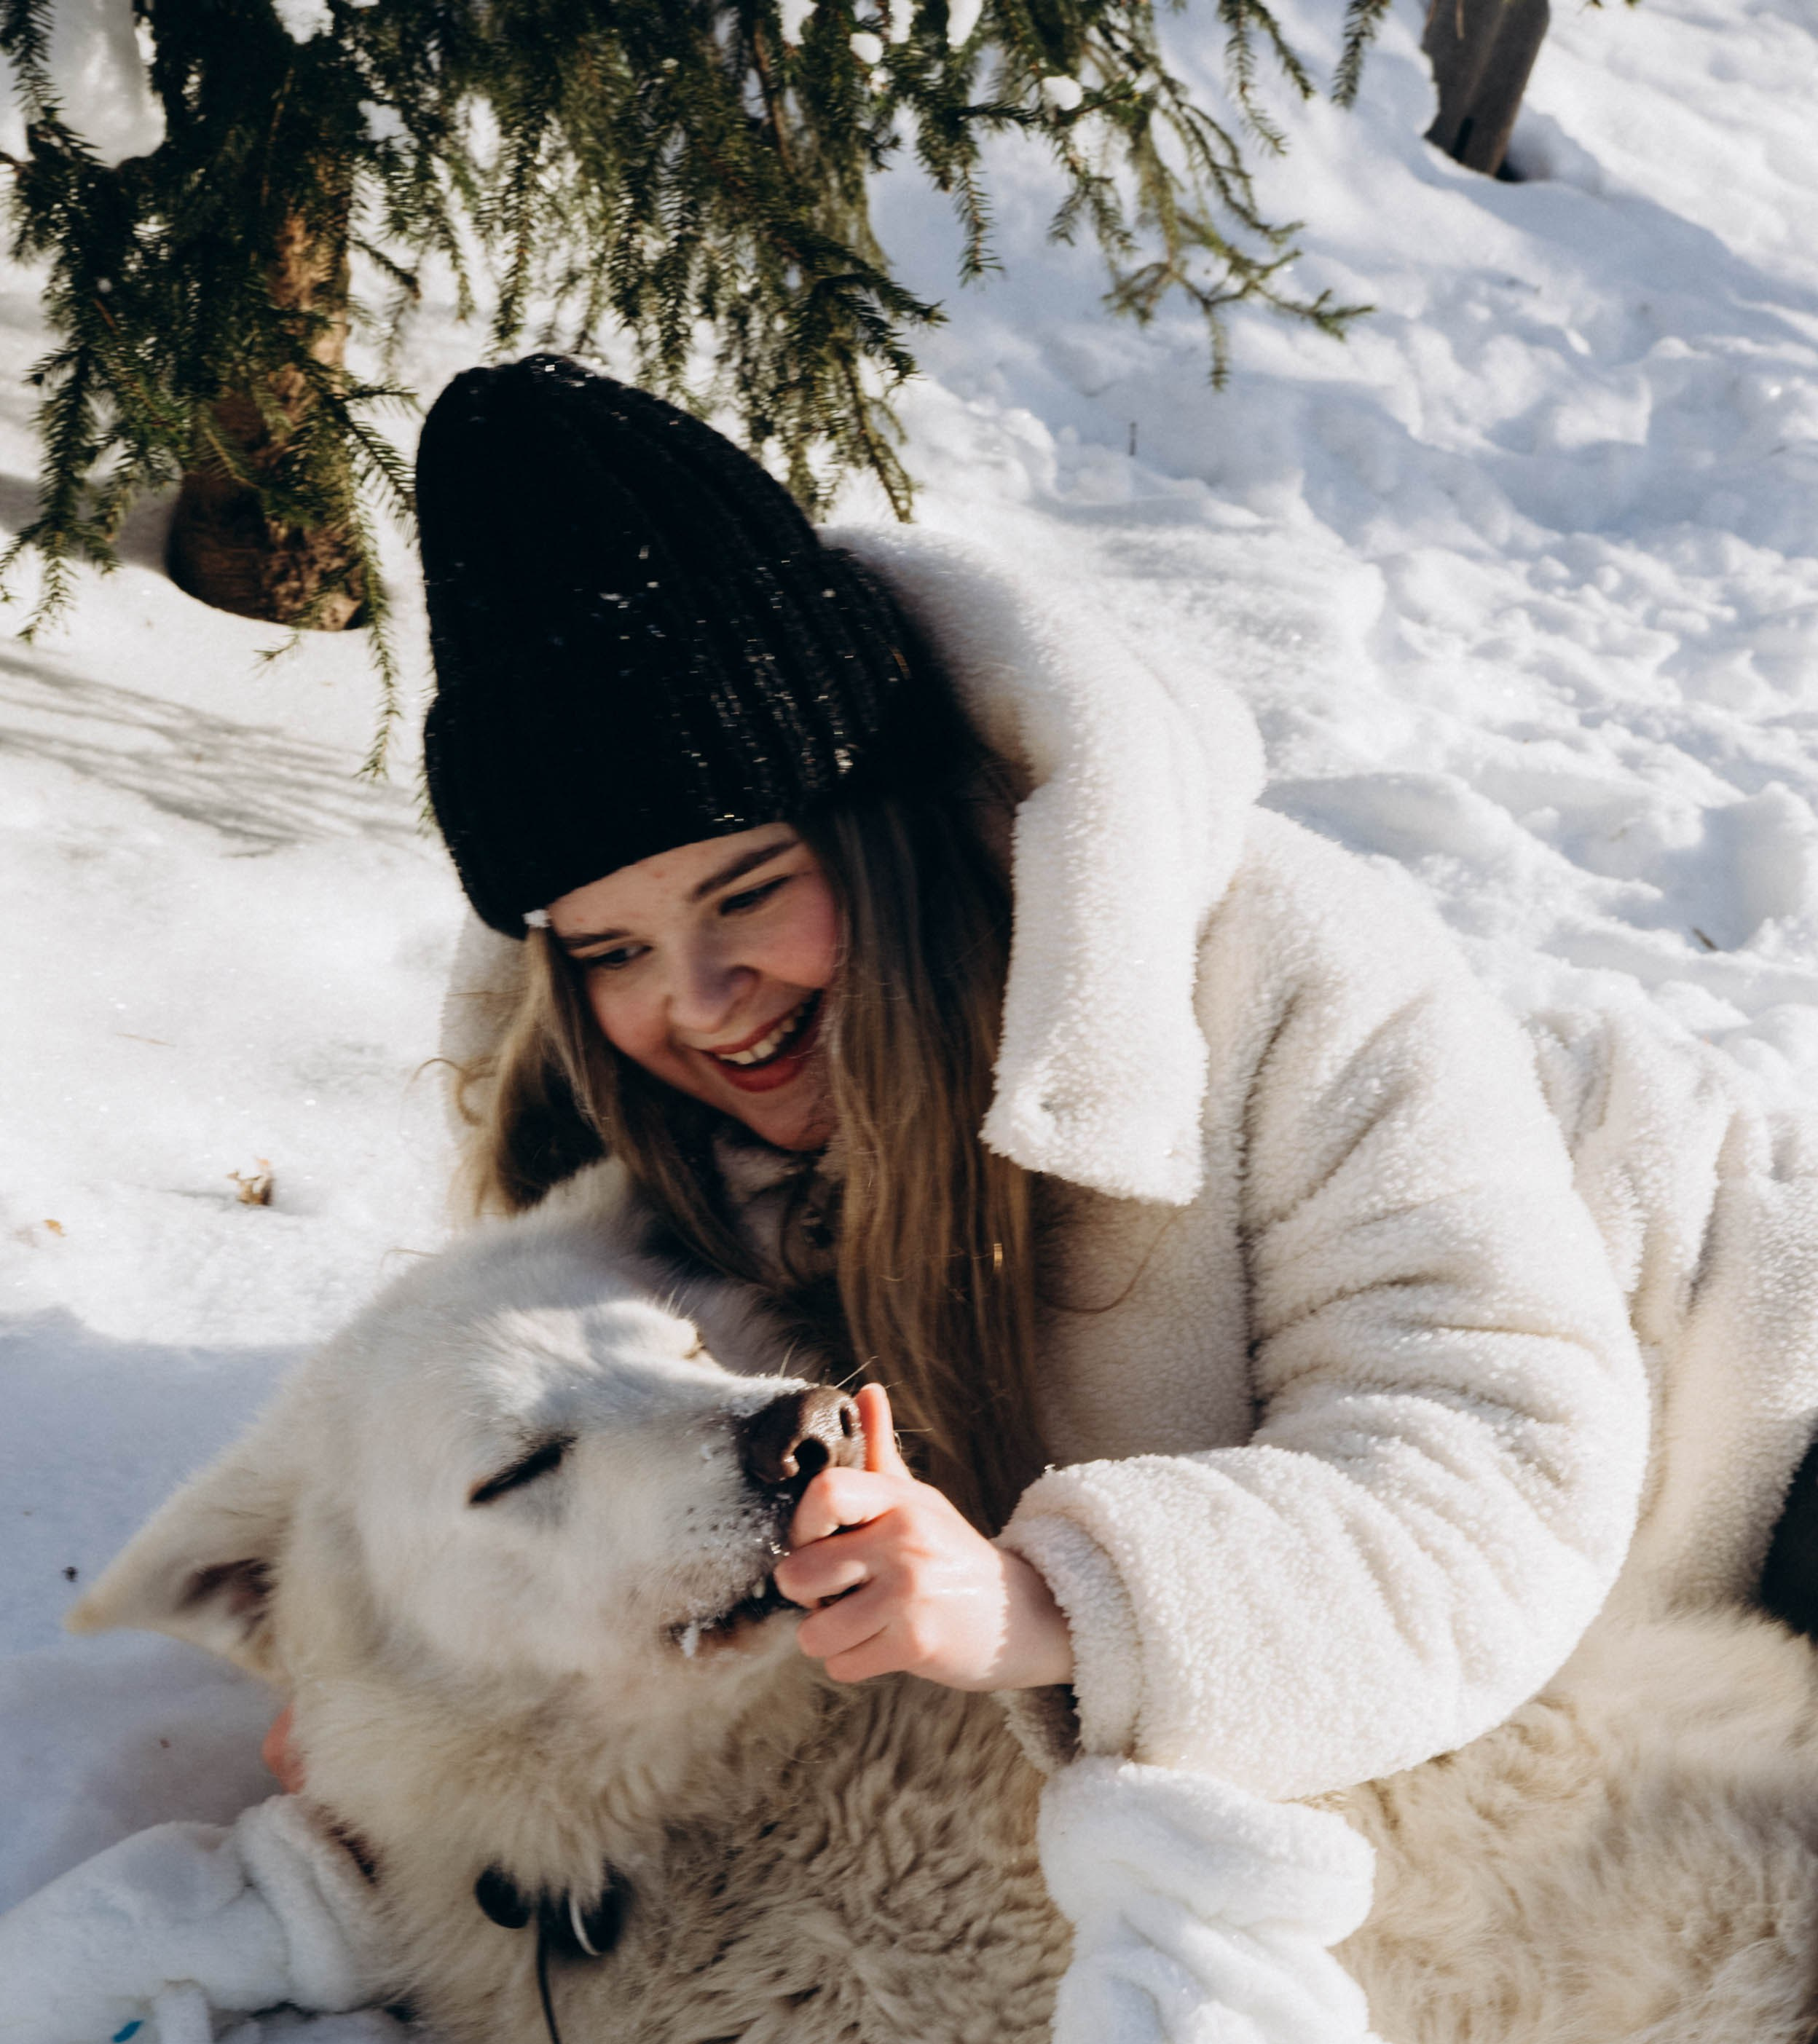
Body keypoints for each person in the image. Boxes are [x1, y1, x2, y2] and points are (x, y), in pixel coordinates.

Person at [265, 352, 1818, 1805]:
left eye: (747, 894)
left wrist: (1054, 1597)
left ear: (880, 831)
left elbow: (1494, 1460)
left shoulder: (1279, 963)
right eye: (610, 949)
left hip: (1743, 1400)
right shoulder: (614, 1127)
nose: (699, 1002)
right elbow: (537, 1508)